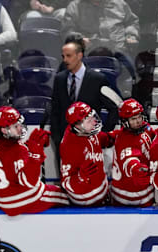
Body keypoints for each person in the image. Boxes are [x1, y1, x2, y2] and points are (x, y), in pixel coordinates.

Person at [50, 37, 119, 165]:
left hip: (90, 143)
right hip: (66, 143)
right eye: (63, 56)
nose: (65, 60)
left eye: (69, 56)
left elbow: (114, 108)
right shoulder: (59, 79)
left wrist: (102, 135)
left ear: (79, 55)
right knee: (67, 181)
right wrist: (57, 138)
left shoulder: (97, 79)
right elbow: (55, 111)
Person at [0, 106, 69, 215]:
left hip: (1, 199)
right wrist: (35, 152)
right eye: (15, 126)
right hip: (22, 200)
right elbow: (29, 182)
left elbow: (9, 157)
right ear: (4, 130)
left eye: (19, 124)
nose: (20, 128)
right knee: (67, 197)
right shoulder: (19, 150)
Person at [59, 101, 113, 206]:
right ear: (78, 126)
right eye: (89, 120)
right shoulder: (69, 146)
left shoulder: (88, 130)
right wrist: (80, 178)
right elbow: (66, 183)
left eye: (93, 117)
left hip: (101, 192)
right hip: (85, 200)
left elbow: (99, 138)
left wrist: (113, 137)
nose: (94, 122)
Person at [109, 98, 156, 206]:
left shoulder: (145, 128)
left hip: (145, 190)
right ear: (125, 122)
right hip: (127, 194)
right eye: (134, 119)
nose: (138, 121)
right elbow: (129, 161)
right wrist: (137, 169)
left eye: (139, 116)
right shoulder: (124, 139)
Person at [62, 0, 139, 53]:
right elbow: (67, 31)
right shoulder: (75, 6)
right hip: (88, 54)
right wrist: (79, 40)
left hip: (119, 52)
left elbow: (131, 22)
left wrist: (131, 35)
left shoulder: (120, 4)